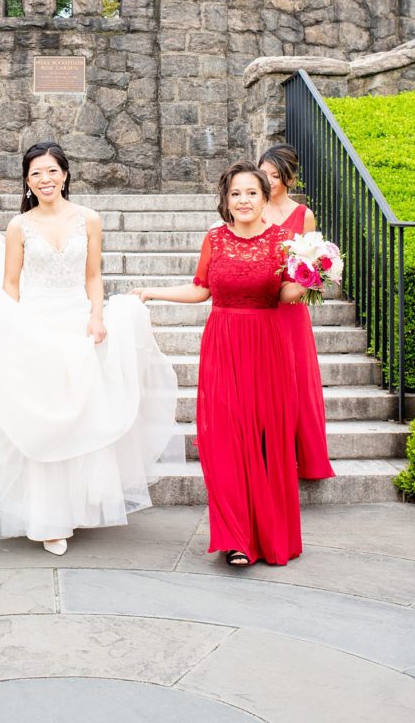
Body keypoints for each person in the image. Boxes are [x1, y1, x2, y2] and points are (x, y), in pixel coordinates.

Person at [0, 141, 178, 555]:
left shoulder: (89, 220)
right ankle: (47, 517)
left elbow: (93, 276)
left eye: (51, 171)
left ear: (65, 174)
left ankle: (75, 506)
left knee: (77, 416)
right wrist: (10, 328)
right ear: (27, 181)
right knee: (40, 419)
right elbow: (11, 285)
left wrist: (97, 315)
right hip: (35, 323)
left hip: (77, 319)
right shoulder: (18, 226)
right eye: (36, 173)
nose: (45, 179)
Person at [133, 160, 305, 567]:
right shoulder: (215, 239)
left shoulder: (285, 240)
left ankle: (271, 533)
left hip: (268, 348)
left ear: (265, 198)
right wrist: (151, 292)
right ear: (225, 201)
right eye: (235, 194)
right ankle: (236, 538)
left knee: (267, 440)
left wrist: (312, 278)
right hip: (224, 346)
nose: (243, 200)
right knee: (223, 440)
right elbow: (201, 289)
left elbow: (286, 295)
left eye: (251, 193)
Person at [259, 144, 334, 481]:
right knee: (262, 381)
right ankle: (262, 450)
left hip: (289, 309)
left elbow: (311, 260)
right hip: (259, 305)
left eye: (275, 175)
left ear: (288, 177)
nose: (268, 180)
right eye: (264, 173)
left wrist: (314, 276)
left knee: (293, 380)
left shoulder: (302, 214)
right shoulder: (250, 208)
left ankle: (299, 454)